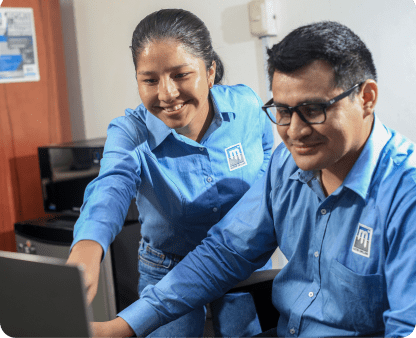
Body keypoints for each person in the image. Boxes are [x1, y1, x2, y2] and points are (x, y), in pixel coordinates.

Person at [90, 20, 416, 338]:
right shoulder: (287, 167)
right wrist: (122, 327)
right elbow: (225, 251)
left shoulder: (405, 194)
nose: (295, 132)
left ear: (367, 98)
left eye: (314, 109)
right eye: (284, 111)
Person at [67, 8, 274, 338]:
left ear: (210, 72)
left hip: (240, 258)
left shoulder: (247, 105)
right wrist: (89, 245)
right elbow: (111, 185)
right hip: (167, 267)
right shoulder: (131, 132)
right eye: (150, 80)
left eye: (180, 75)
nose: (166, 93)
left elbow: (267, 155)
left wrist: (251, 216)